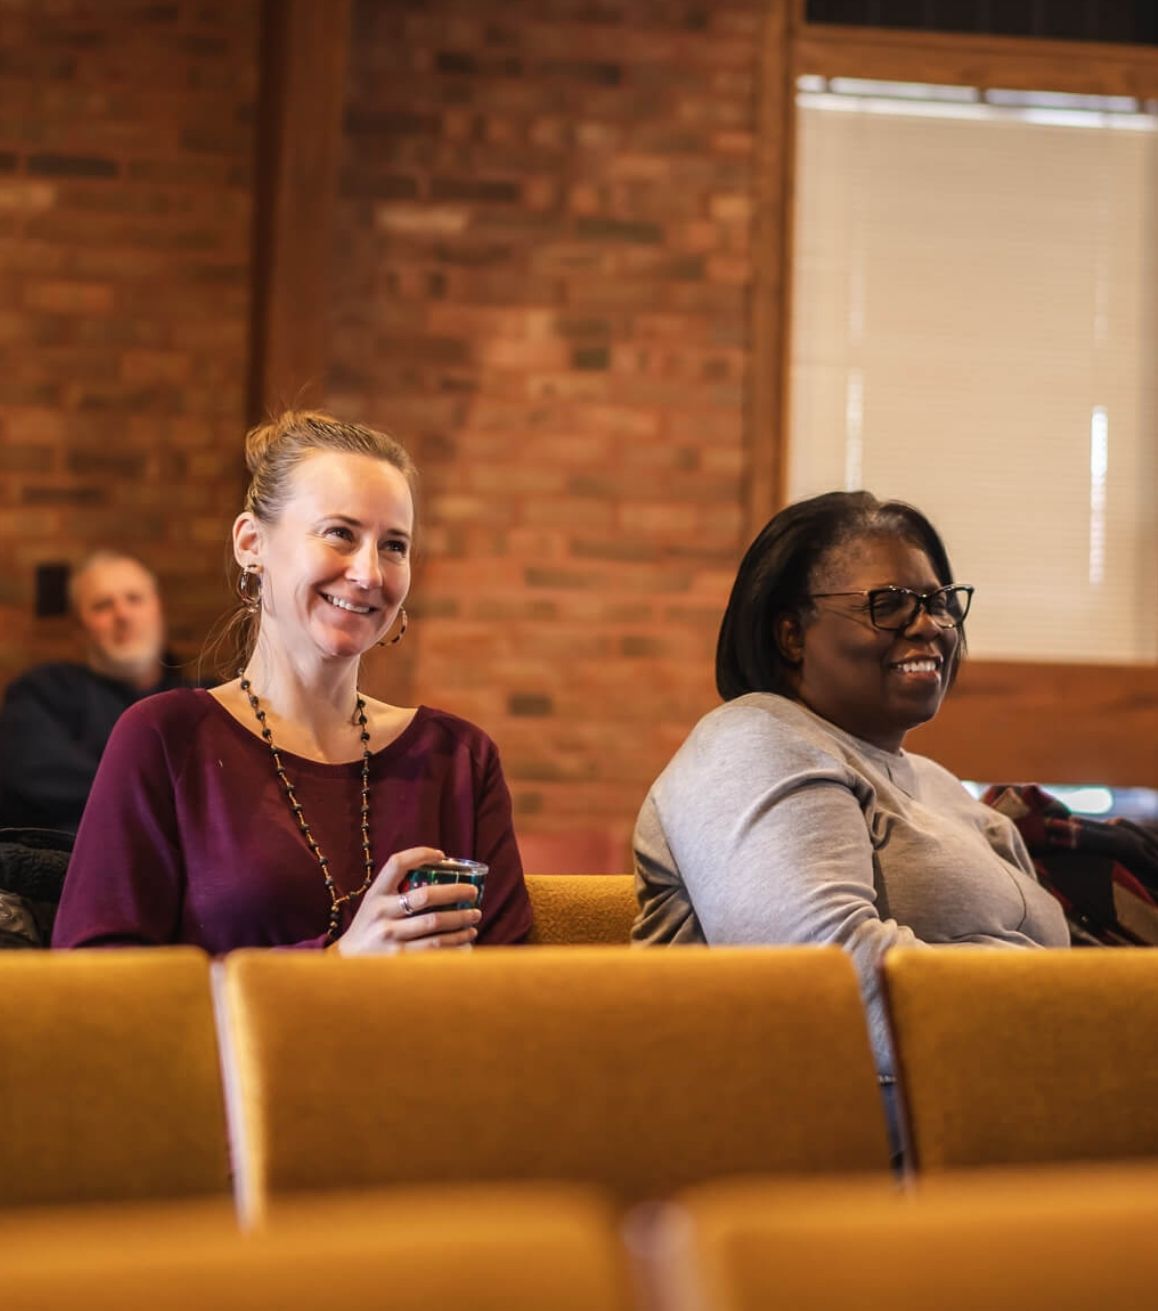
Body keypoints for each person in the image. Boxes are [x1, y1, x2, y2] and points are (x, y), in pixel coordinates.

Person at [632, 490, 1069, 1087]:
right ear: (791, 635)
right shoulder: (753, 742)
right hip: (820, 1153)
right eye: (888, 605)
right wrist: (1079, 1007)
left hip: (1005, 1112)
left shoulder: (938, 785)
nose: (929, 626)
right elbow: (828, 982)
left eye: (939, 602)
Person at [53, 411, 532, 953]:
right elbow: (95, 982)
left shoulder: (460, 759)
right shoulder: (166, 737)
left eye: (394, 546)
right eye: (340, 534)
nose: (369, 573)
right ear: (251, 543)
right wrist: (336, 967)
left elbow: (514, 991)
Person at [0, 552, 190, 832]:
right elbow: (34, 780)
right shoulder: (40, 693)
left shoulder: (202, 700)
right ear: (80, 628)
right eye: (103, 605)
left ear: (158, 611)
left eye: (134, 599)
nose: (123, 615)